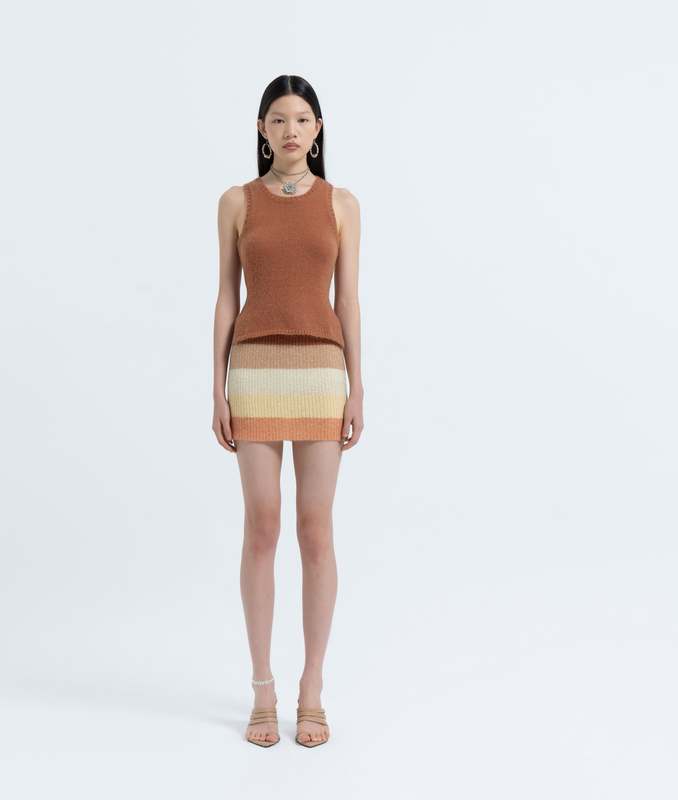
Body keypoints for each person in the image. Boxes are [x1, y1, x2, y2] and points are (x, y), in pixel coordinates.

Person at [211, 75, 364, 748]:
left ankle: (313, 688)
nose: (291, 130)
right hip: (254, 370)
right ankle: (263, 687)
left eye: (302, 119)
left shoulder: (342, 203)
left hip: (321, 371)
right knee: (263, 525)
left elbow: (348, 298)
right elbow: (226, 295)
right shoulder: (237, 202)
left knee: (315, 530)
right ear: (262, 130)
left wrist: (358, 385)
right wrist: (217, 386)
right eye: (279, 119)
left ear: (318, 130)